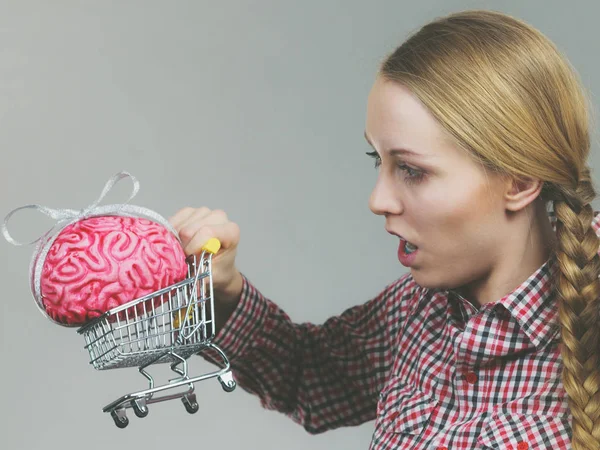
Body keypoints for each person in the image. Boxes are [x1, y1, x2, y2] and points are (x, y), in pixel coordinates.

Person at [168, 9, 600, 450]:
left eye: (412, 170)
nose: (378, 201)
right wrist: (221, 294)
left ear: (521, 181)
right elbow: (309, 377)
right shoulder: (415, 309)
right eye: (380, 161)